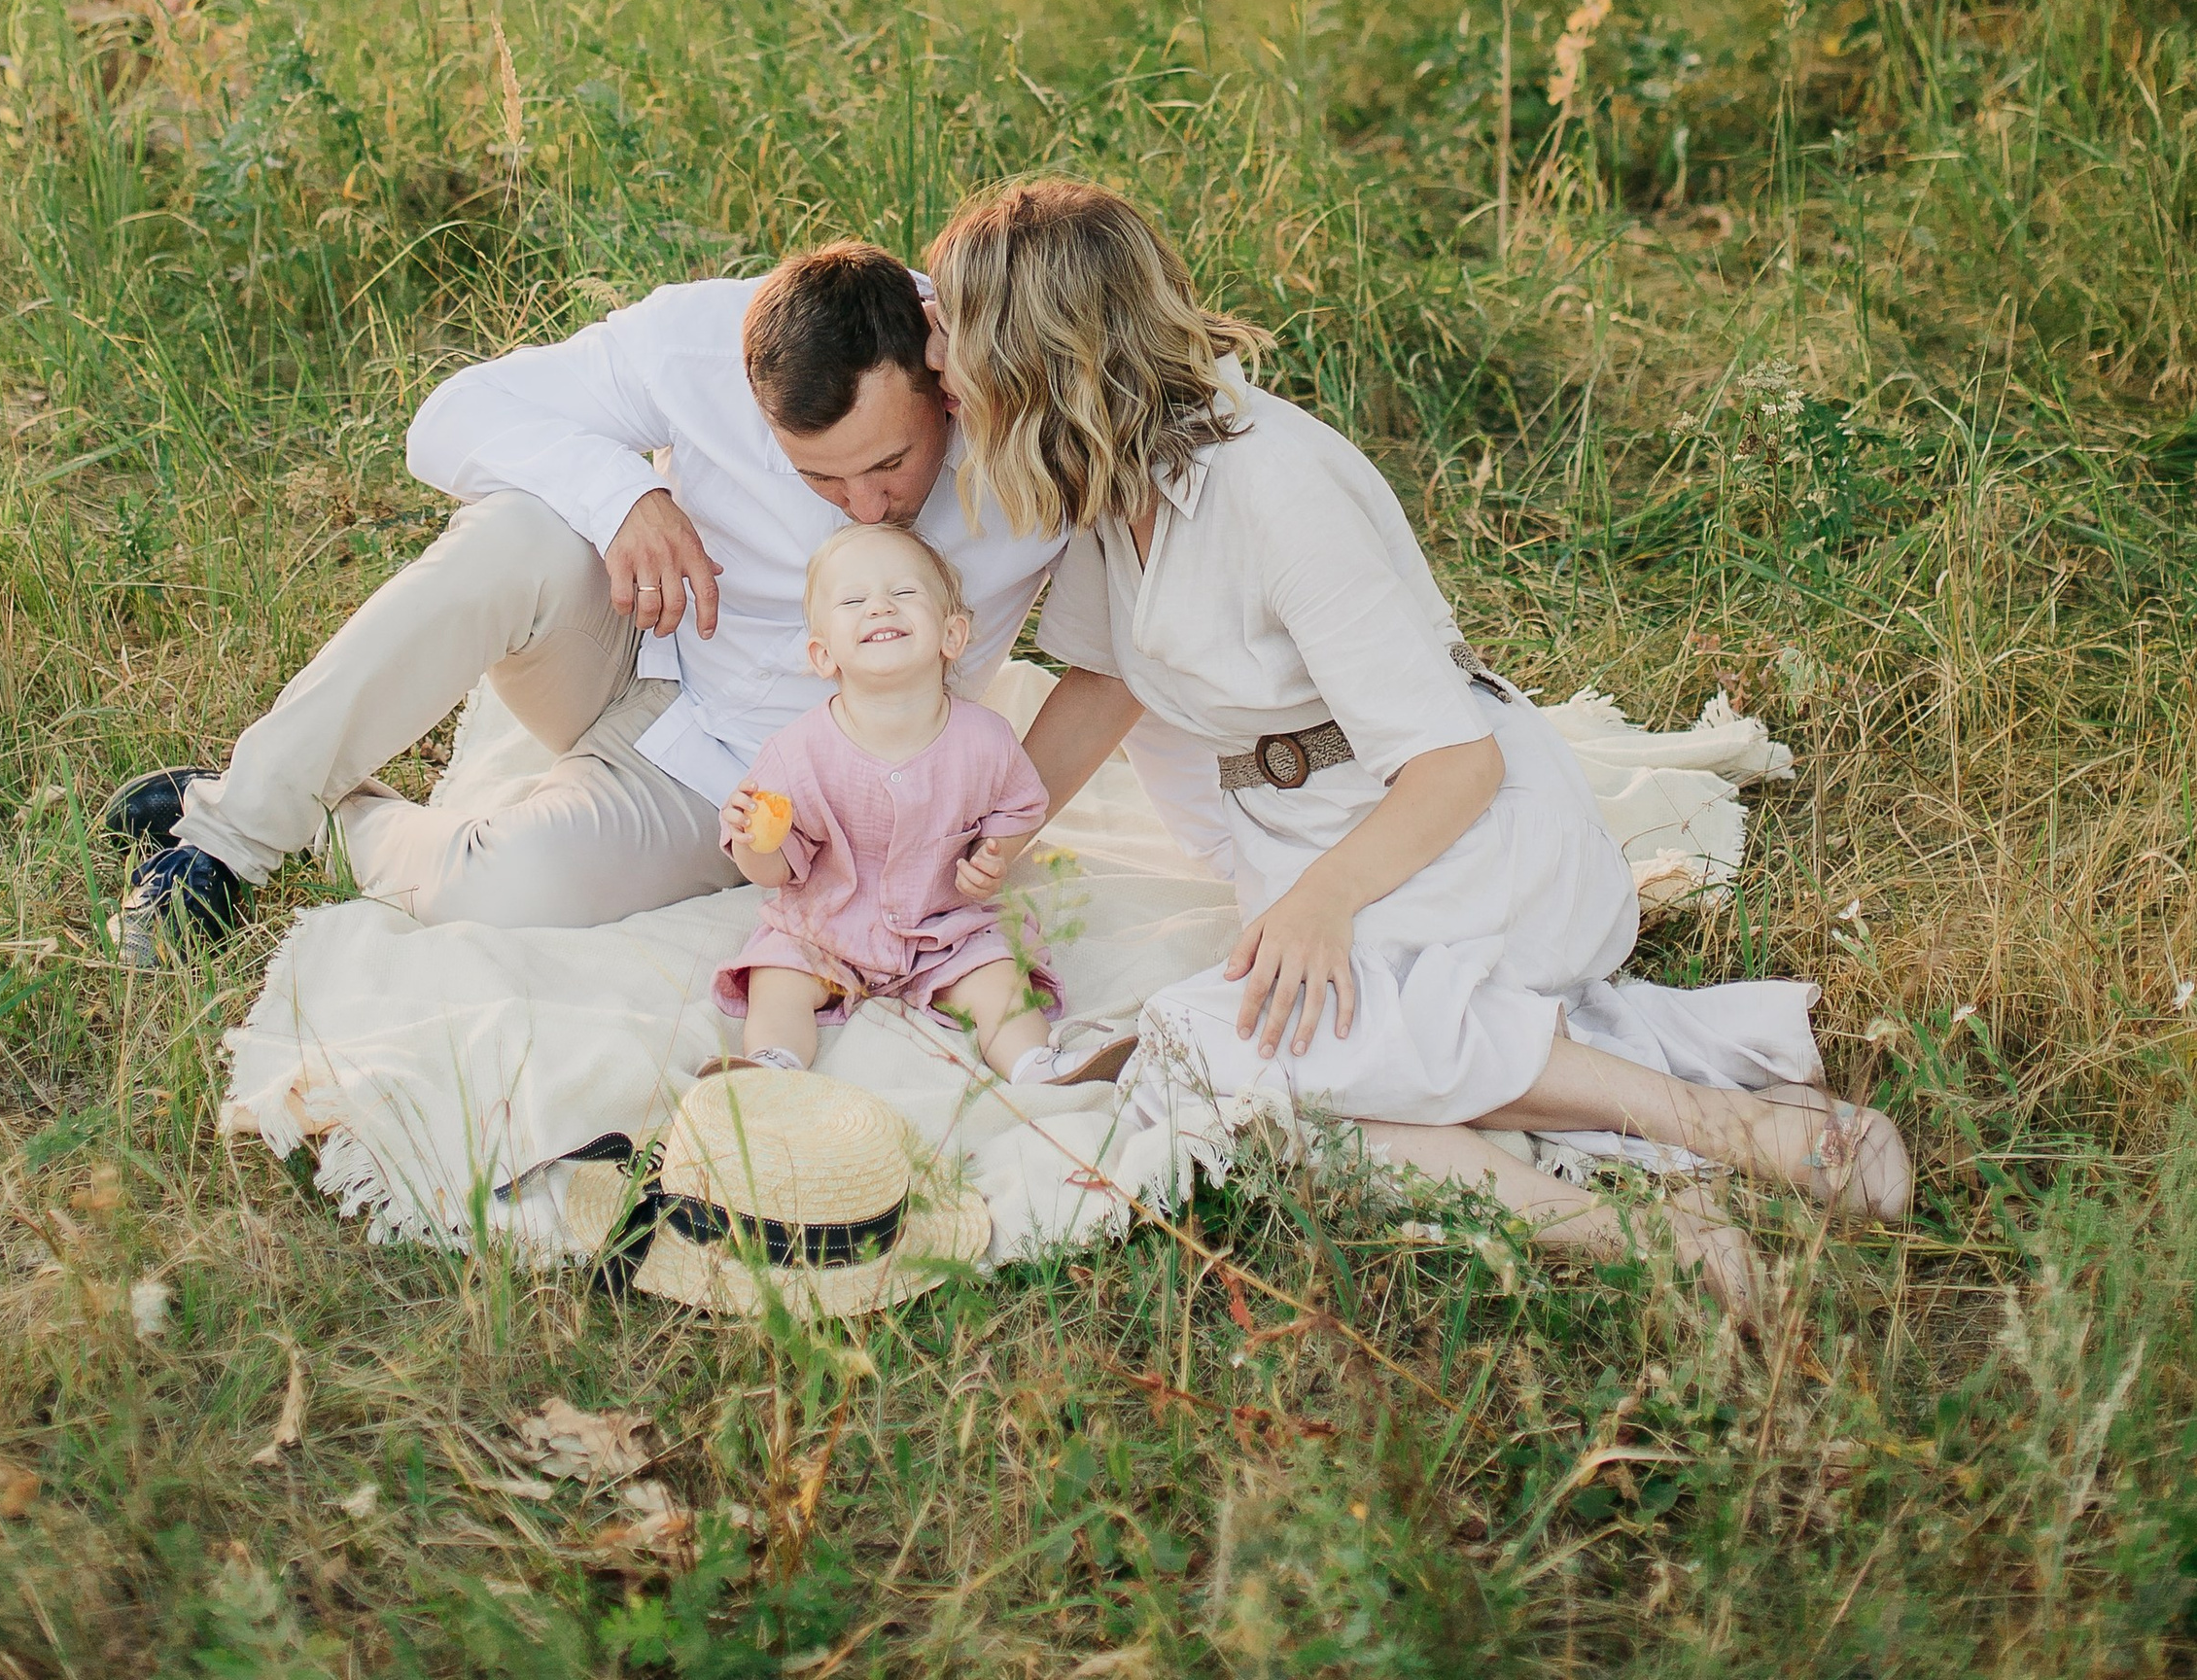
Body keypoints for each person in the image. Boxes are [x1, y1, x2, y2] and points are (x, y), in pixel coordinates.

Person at [924, 176, 1910, 1309]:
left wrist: (1320, 904)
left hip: (1453, 839)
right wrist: (986, 839)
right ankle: (1637, 1233)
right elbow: (1103, 683)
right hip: (1310, 837)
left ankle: (1722, 1125)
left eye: (949, 324)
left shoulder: (1273, 486)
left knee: (1215, 1048)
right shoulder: (1111, 476)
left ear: (1031, 346)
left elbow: (1456, 761)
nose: (930, 346)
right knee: (1257, 1081)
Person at [106, 241, 1214, 959]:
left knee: (507, 895)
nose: (863, 507)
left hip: (750, 782)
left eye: (888, 466)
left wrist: (999, 822)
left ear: (945, 384)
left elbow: (1115, 653)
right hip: (631, 646)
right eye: (817, 480)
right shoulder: (699, 340)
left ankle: (333, 820)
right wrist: (620, 490)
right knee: (518, 532)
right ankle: (235, 834)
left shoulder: (1032, 417)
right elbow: (447, 417)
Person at [712, 522, 1062, 1079]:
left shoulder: (986, 740)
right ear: (824, 655)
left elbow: (1020, 807)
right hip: (825, 926)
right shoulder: (797, 752)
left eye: (904, 594)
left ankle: (1036, 1063)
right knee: (777, 975)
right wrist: (756, 838)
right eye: (853, 600)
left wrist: (993, 854)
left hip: (946, 924)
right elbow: (771, 871)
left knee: (999, 975)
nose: (879, 607)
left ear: (952, 635)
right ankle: (773, 1064)